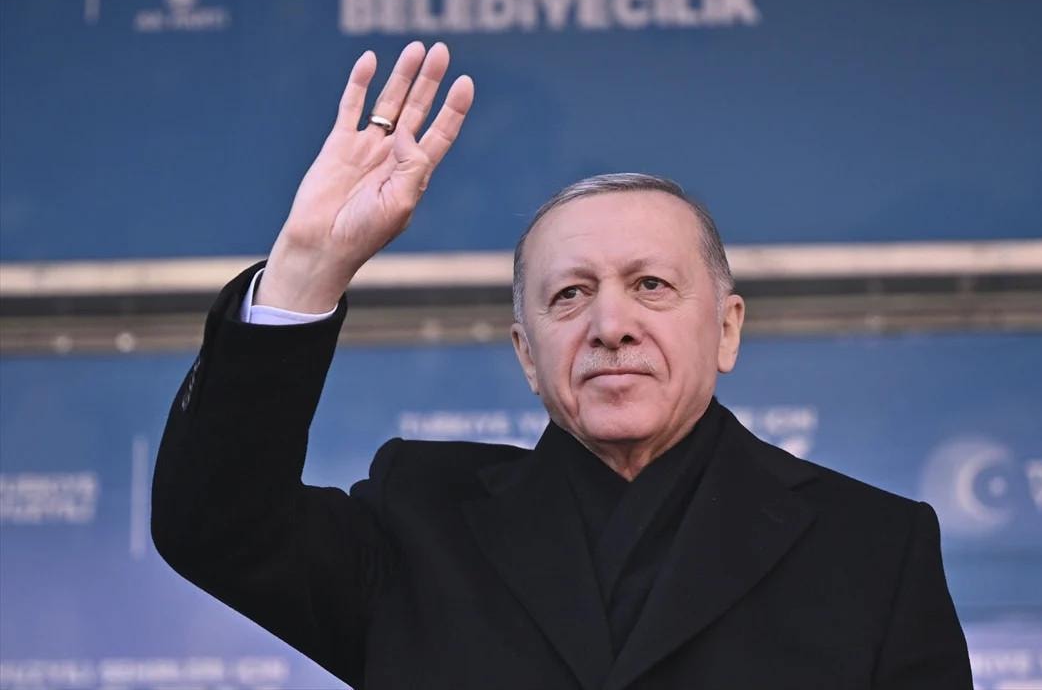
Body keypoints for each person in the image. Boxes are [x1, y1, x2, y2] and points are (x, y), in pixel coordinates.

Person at [152, 42, 973, 689]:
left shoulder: (872, 548)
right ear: (527, 354)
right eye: (570, 295)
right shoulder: (420, 525)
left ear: (727, 329)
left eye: (651, 286)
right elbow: (216, 526)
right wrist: (306, 266)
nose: (611, 326)